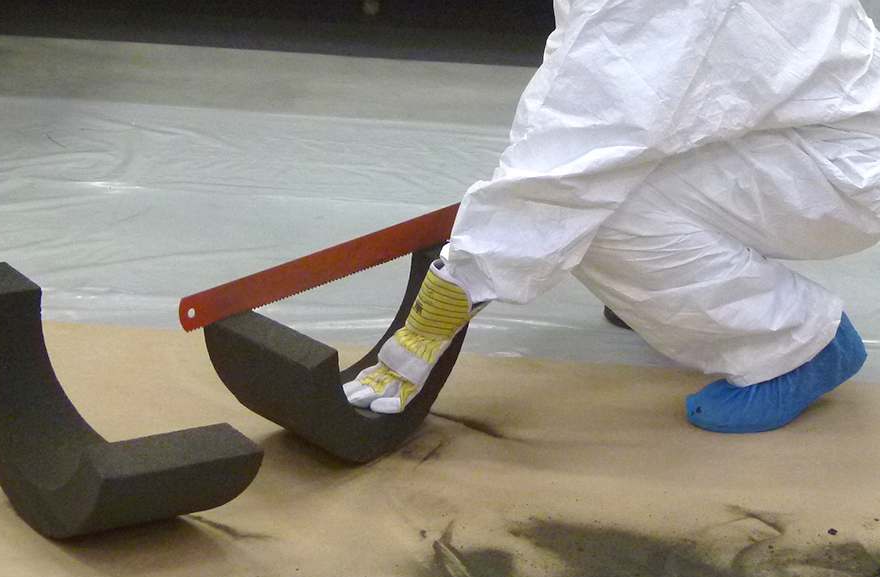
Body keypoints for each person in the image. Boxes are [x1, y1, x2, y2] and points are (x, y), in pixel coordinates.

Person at [343, 0, 880, 433]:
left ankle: (793, 344)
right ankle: (682, 291)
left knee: (602, 217)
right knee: (603, 184)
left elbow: (571, 168)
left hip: (836, 168)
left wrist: (432, 319)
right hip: (795, 127)